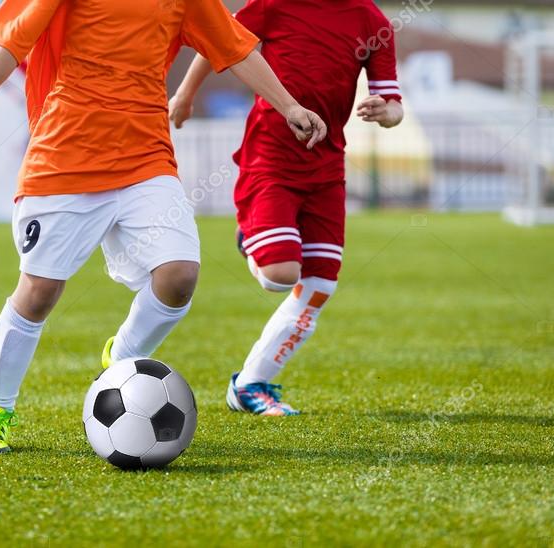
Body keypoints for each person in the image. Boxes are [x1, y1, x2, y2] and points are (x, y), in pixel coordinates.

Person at [0, 0, 327, 454]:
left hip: (146, 158)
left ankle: (121, 357)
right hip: (64, 156)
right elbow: (14, 40)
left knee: (179, 276)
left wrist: (289, 106)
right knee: (40, 291)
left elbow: (236, 48)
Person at [170, 0, 405, 416]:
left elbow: (394, 105)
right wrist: (185, 94)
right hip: (271, 159)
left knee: (320, 288)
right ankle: (253, 236)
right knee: (280, 277)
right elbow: (219, 42)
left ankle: (250, 384)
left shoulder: (373, 21)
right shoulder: (275, 5)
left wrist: (386, 112)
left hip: (328, 168)